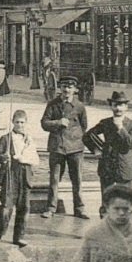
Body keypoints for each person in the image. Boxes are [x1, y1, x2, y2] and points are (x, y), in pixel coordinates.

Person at [41, 76, 89, 219]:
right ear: (60, 88)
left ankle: (79, 209)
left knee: (77, 180)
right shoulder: (52, 104)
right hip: (57, 147)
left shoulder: (79, 106)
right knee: (54, 179)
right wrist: (58, 123)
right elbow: (44, 123)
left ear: (75, 89)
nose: (66, 90)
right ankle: (51, 208)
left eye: (70, 87)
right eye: (64, 86)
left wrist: (75, 138)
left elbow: (84, 126)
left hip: (75, 148)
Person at [0, 109, 39, 248]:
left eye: (22, 122)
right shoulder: (6, 139)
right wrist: (3, 157)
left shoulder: (29, 139)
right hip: (10, 176)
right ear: (12, 122)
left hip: (25, 175)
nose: (20, 125)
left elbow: (34, 158)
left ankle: (19, 237)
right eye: (17, 122)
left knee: (24, 208)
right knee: (6, 207)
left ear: (26, 123)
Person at [84, 91, 132, 217]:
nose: (118, 108)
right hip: (107, 166)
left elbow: (130, 144)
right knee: (106, 201)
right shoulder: (106, 123)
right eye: (115, 105)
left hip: (124, 167)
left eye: (121, 105)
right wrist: (96, 150)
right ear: (111, 106)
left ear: (126, 107)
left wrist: (121, 128)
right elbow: (87, 136)